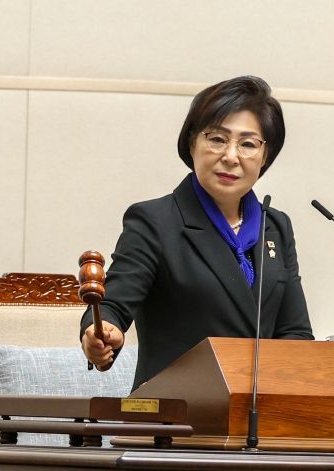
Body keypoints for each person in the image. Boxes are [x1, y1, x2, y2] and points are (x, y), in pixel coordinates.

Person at [80, 76, 313, 390]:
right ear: (192, 143)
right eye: (217, 139)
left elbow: (295, 333)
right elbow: (113, 306)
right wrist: (101, 332)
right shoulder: (155, 221)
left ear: (265, 155)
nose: (231, 156)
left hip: (259, 408)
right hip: (175, 408)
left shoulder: (275, 227)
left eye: (247, 144)